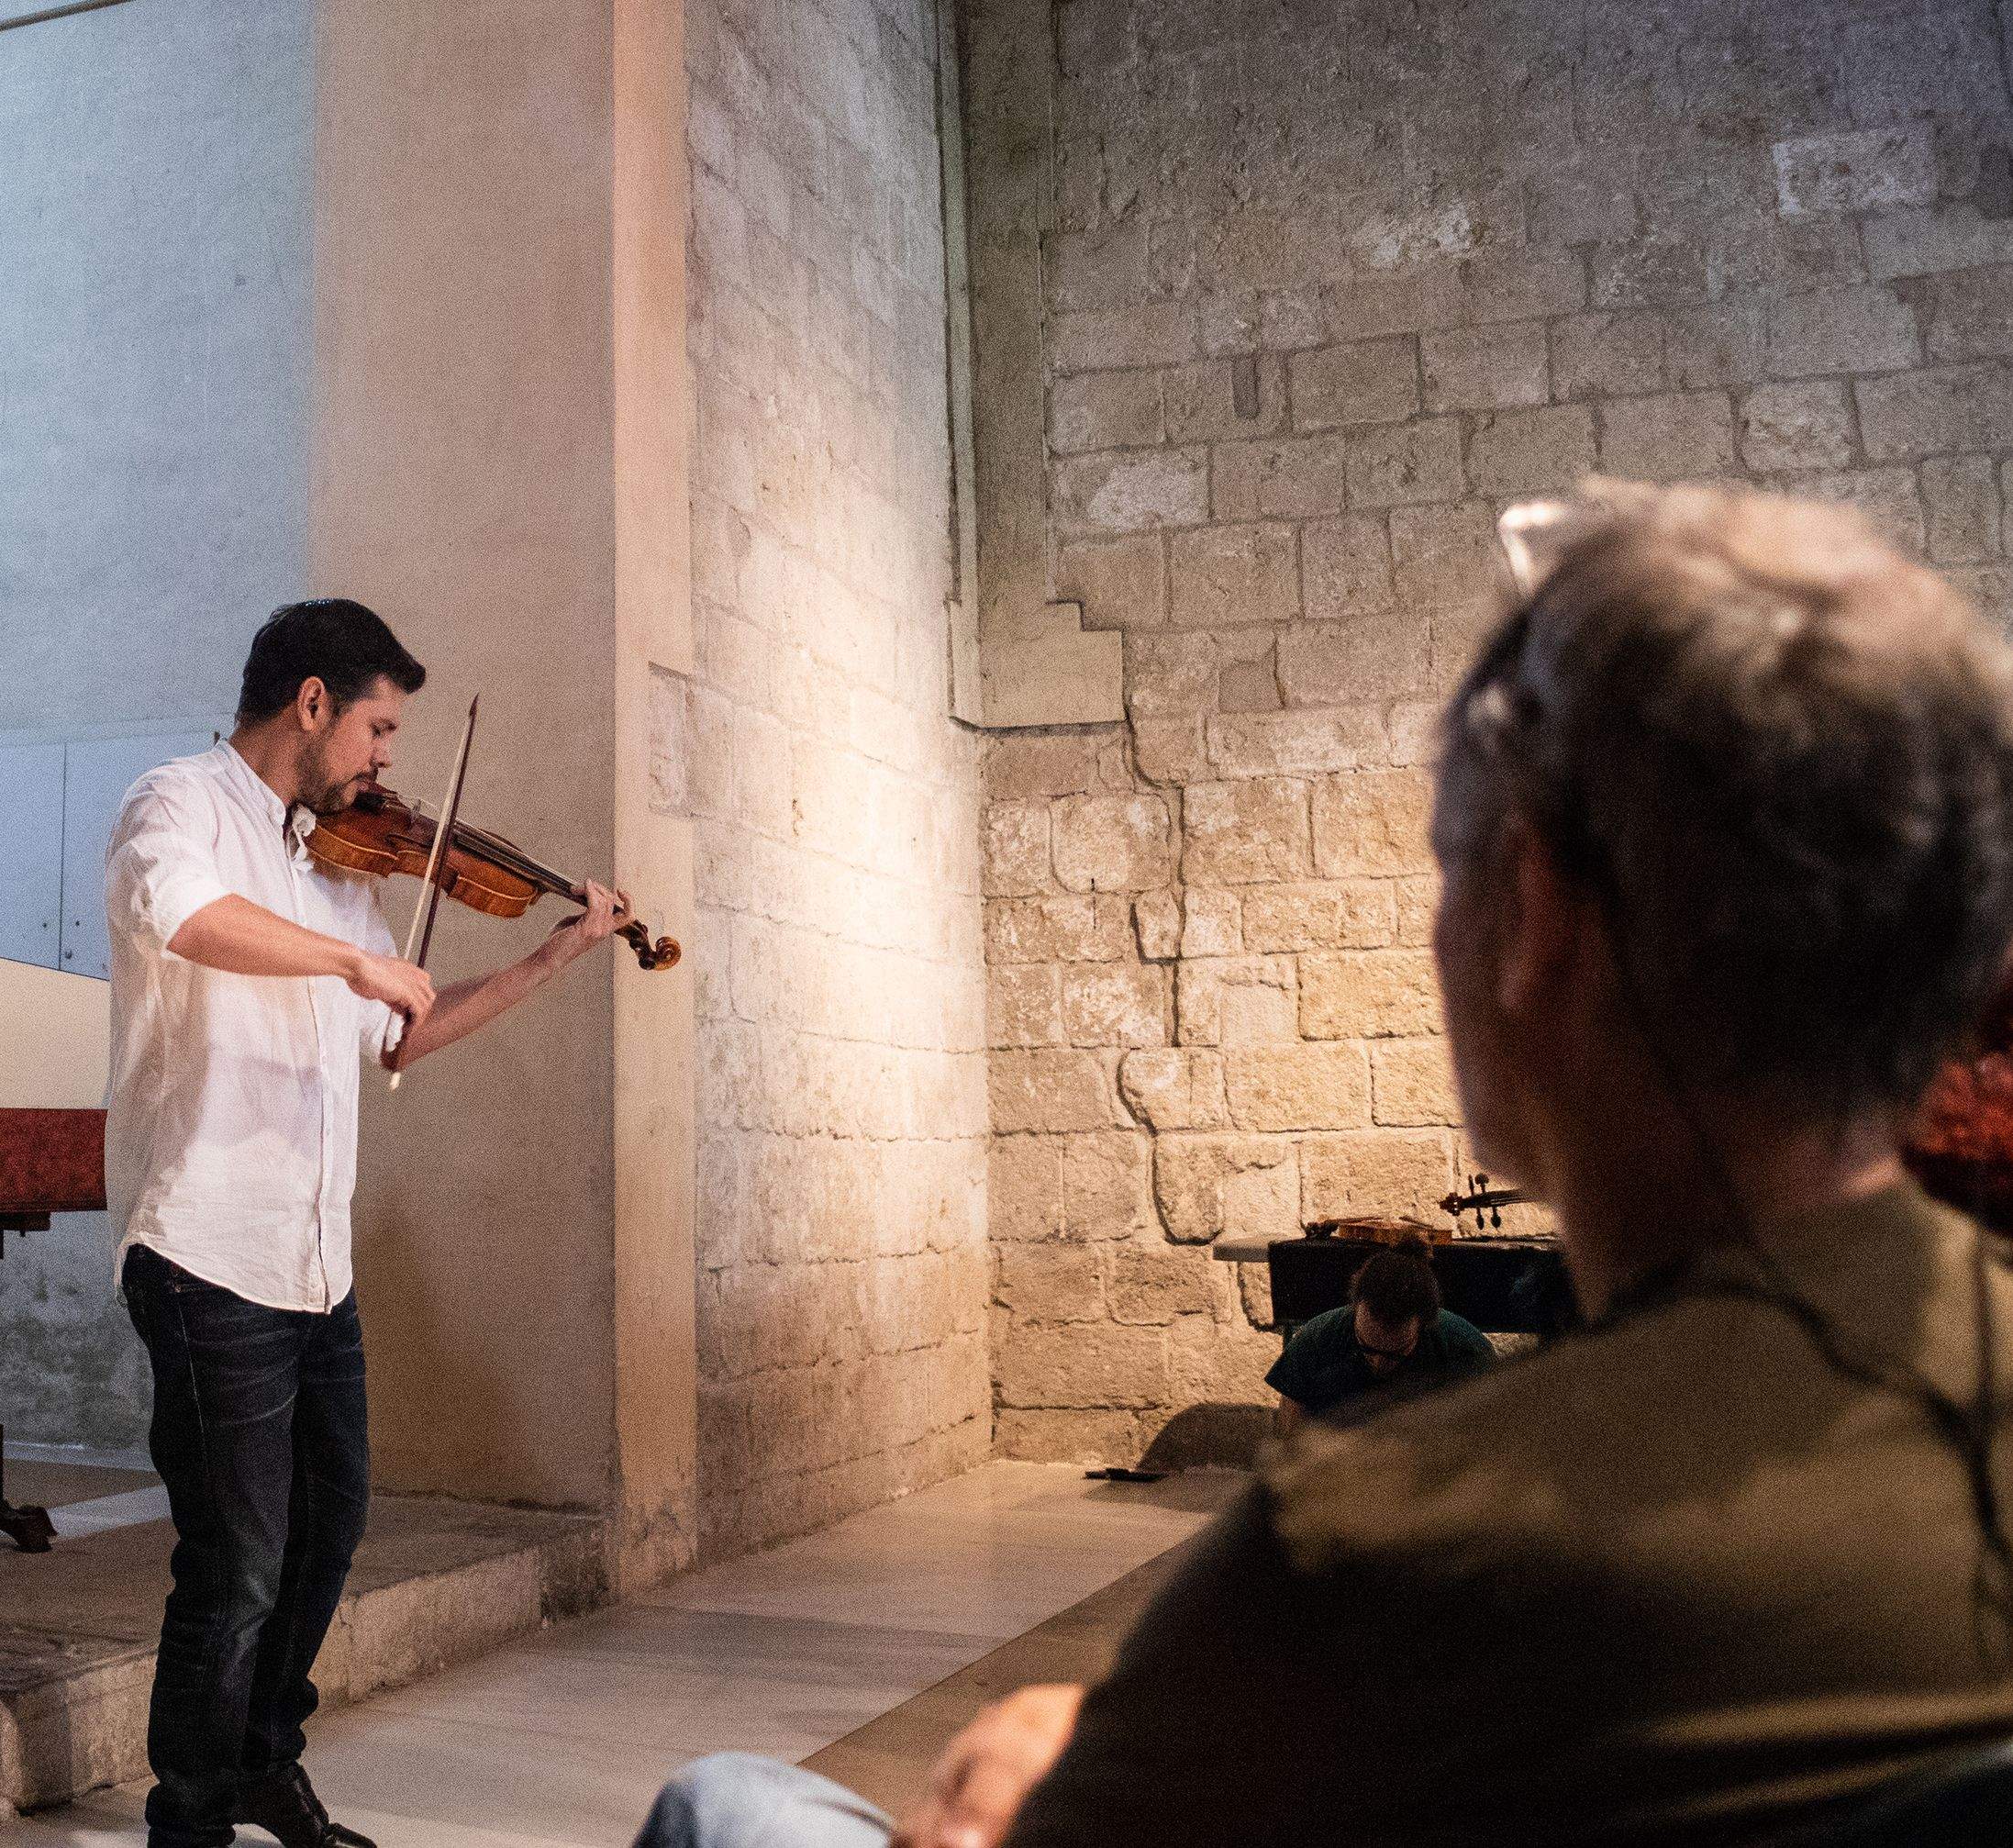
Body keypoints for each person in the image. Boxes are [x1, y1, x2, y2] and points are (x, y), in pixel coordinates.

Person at [632, 482, 2013, 1847]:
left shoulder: (1385, 1545)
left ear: (1533, 910)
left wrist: (1014, 1787)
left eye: (1445, 865)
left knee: (731, 1802)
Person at [107, 597, 631, 1848]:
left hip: (312, 1259)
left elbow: (400, 1030)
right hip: (203, 1246)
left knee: (327, 1526)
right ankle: (187, 1818)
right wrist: (348, 961)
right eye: (378, 726)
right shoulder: (172, 804)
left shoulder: (335, 856)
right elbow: (184, 918)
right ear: (309, 703)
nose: (387, 758)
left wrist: (551, 959)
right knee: (232, 1560)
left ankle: (259, 1761)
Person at [1265, 1237, 1495, 1431]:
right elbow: (1290, 1437)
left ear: (1424, 1325)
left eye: (1395, 1354)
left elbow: (1491, 1444)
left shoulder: (1465, 1351)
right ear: (1355, 1309)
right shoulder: (1317, 1340)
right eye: (1366, 1347)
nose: (1377, 1364)